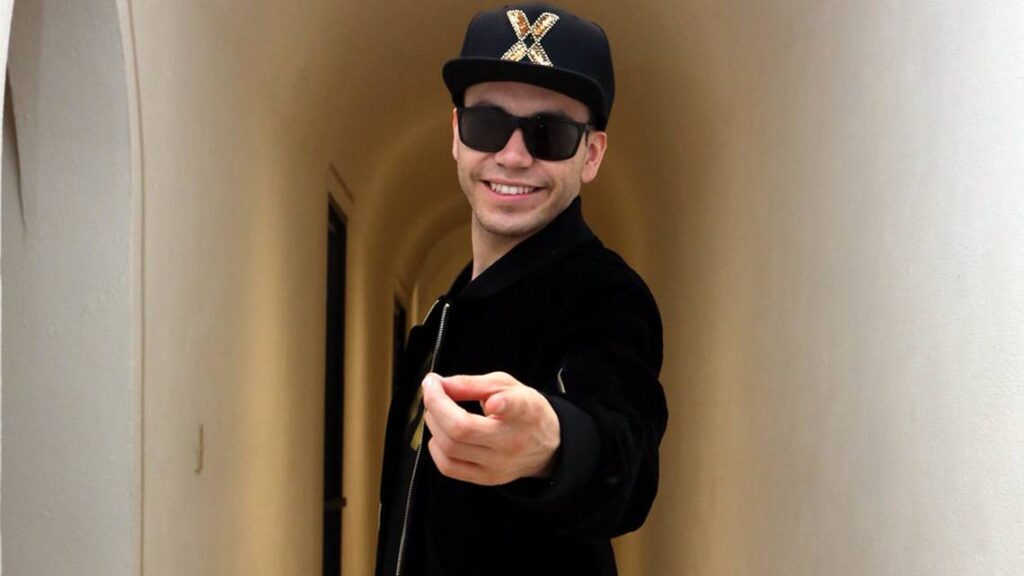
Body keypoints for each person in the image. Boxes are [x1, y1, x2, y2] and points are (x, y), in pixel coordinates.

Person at [375, 4, 668, 575]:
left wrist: (555, 444)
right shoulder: (444, 315)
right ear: (456, 135)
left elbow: (625, 455)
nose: (512, 155)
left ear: (591, 154)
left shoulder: (606, 297)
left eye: (549, 134)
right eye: (487, 124)